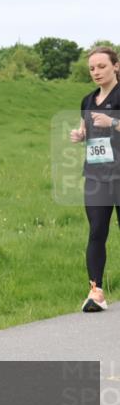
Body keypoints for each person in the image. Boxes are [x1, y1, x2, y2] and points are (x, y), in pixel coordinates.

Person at [70, 45, 120, 312]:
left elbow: (109, 125)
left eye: (102, 66)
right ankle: (96, 292)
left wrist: (112, 123)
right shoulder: (87, 100)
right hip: (97, 175)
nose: (96, 72)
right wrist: (80, 136)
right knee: (97, 231)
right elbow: (87, 130)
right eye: (91, 68)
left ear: (116, 66)